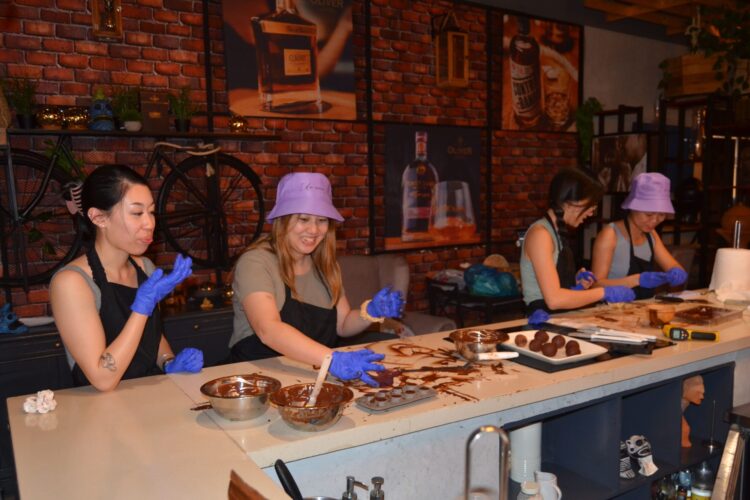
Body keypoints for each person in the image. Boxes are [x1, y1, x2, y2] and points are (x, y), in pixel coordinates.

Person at [229, 172, 403, 386]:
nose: (314, 230)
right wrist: (332, 359)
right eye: (303, 219)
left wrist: (370, 312)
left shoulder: (326, 265)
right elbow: (269, 330)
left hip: (312, 377)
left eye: (322, 221)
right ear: (283, 220)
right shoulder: (256, 262)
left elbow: (343, 325)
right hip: (256, 379)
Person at [50, 165, 203, 392]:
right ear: (99, 217)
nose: (150, 223)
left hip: (148, 395)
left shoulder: (145, 267)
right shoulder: (72, 283)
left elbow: (151, 335)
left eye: (151, 212)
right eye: (137, 213)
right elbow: (102, 379)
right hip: (99, 410)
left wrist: (168, 361)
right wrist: (141, 309)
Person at [520, 168, 635, 315]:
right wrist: (604, 293)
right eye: (591, 205)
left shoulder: (556, 232)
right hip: (542, 320)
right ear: (571, 203)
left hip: (558, 317)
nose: (592, 212)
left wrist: (575, 284)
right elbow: (554, 300)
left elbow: (552, 286)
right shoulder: (540, 235)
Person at [591, 173, 687, 300]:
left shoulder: (651, 235)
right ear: (632, 207)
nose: (655, 221)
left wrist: (677, 273)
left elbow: (673, 266)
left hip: (639, 309)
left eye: (661, 215)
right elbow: (595, 285)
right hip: (610, 311)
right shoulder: (610, 234)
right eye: (649, 214)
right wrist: (636, 280)